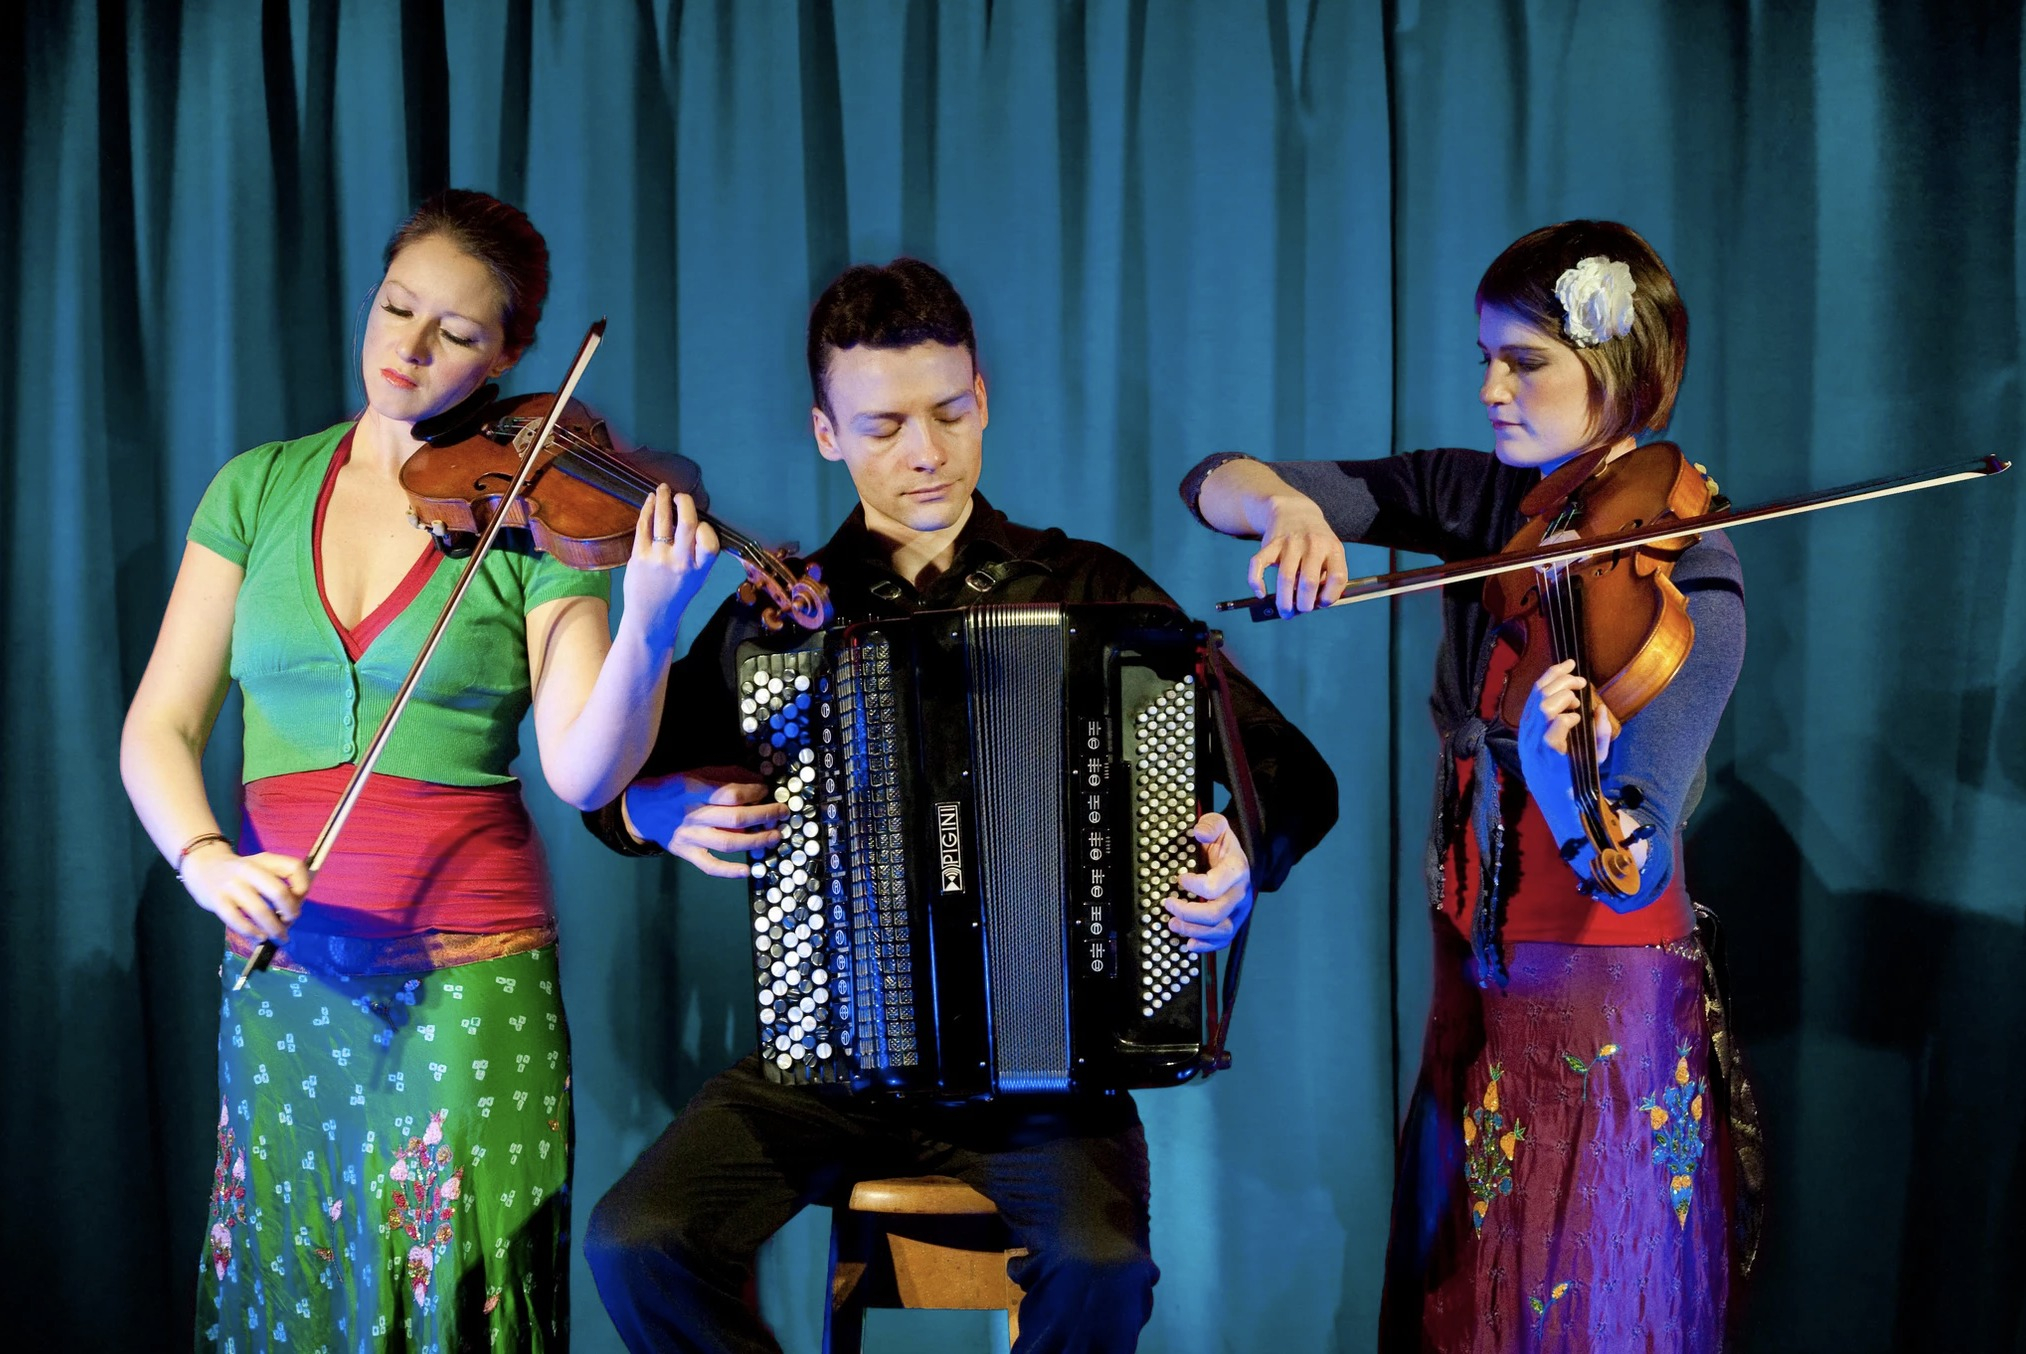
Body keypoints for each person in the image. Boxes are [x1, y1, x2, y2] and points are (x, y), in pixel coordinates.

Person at [578, 257, 1338, 1353]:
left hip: (1049, 1080)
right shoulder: (778, 614)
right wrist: (654, 813)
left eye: (948, 411)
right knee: (637, 1238)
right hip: (832, 1064)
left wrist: (1236, 858)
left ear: (983, 398)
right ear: (825, 433)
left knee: (1101, 1269)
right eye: (882, 426)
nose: (924, 453)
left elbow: (1293, 778)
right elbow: (609, 793)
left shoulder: (1089, 585)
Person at [121, 189, 720, 1349]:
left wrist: (646, 626)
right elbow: (160, 724)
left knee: (451, 1302)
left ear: (507, 355)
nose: (408, 348)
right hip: (286, 982)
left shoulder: (537, 511)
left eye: (454, 333)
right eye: (397, 308)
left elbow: (584, 770)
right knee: (295, 1294)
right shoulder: (256, 488)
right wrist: (202, 857)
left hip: (469, 985)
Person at [1181, 221, 1755, 1350]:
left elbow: (1627, 864)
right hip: (1470, 956)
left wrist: (1558, 779)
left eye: (1525, 361)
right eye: (1484, 354)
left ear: (1619, 368)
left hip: (1598, 981)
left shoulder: (1693, 562)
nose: (1490, 387)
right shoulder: (1476, 497)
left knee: (1585, 1286)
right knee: (1468, 1283)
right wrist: (1285, 510)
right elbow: (1209, 481)